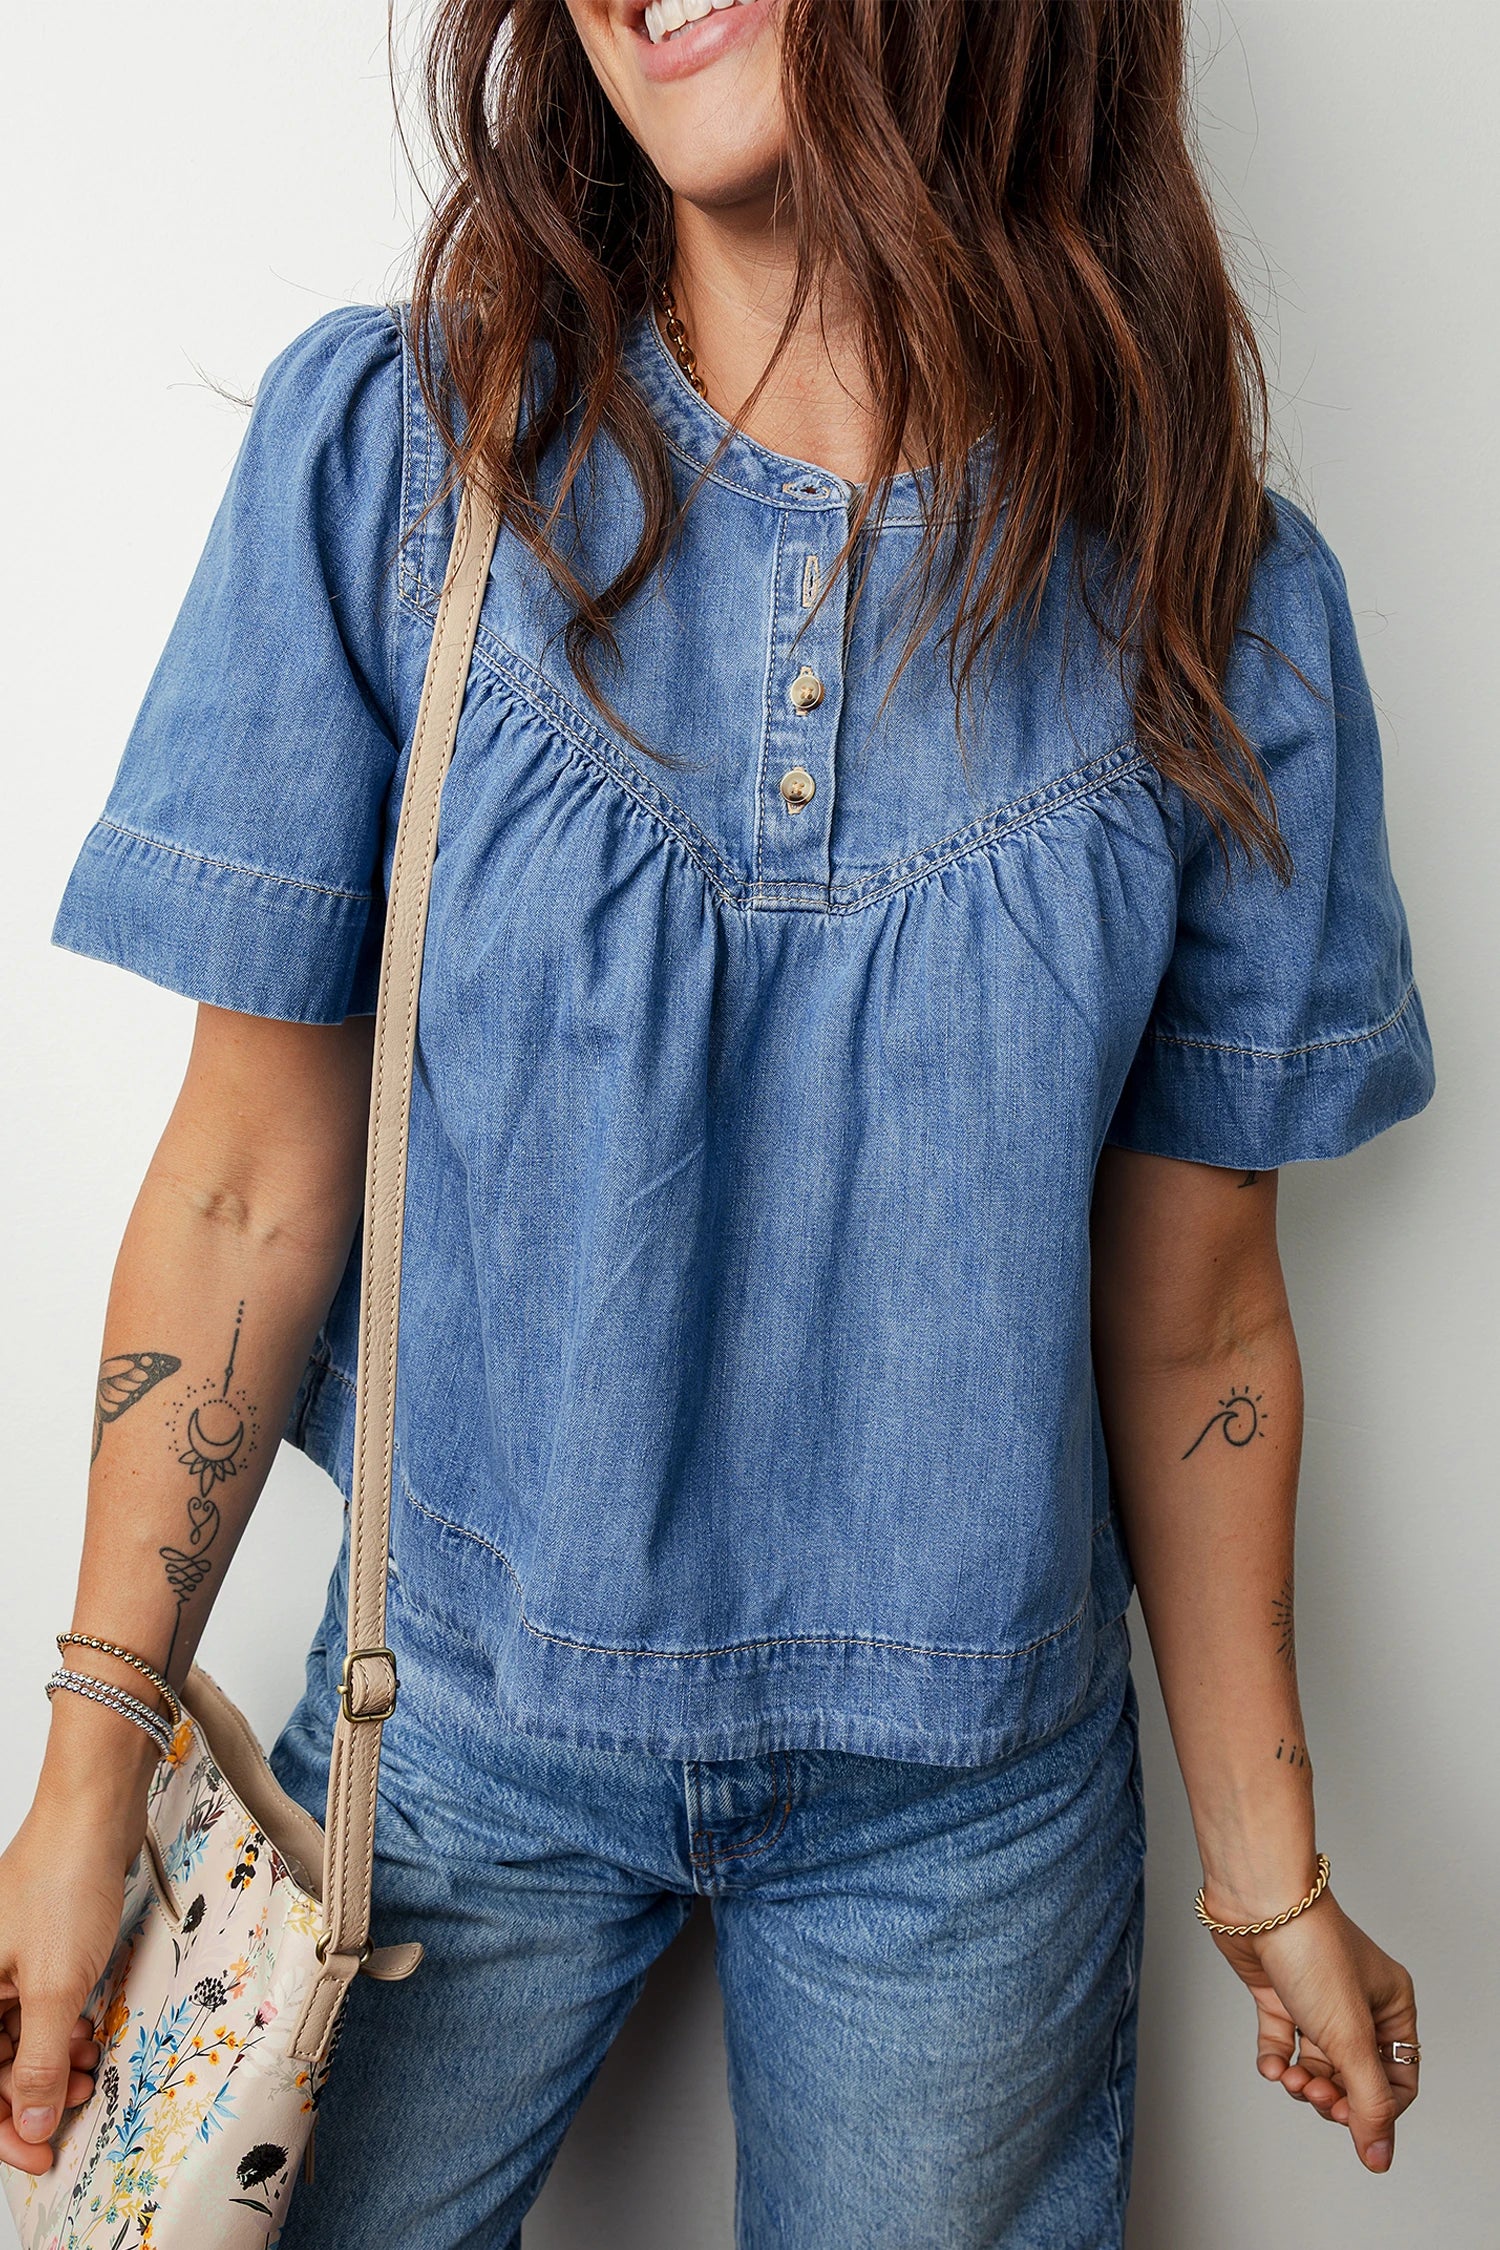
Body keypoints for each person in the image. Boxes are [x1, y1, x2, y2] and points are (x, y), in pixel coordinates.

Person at [0, 1, 1432, 2241]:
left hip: (967, 1820)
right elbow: (242, 1181)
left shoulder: (1217, 613)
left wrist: (1273, 1880)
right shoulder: (400, 466)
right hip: (447, 1733)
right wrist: (91, 1772)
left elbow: (1203, 1325)